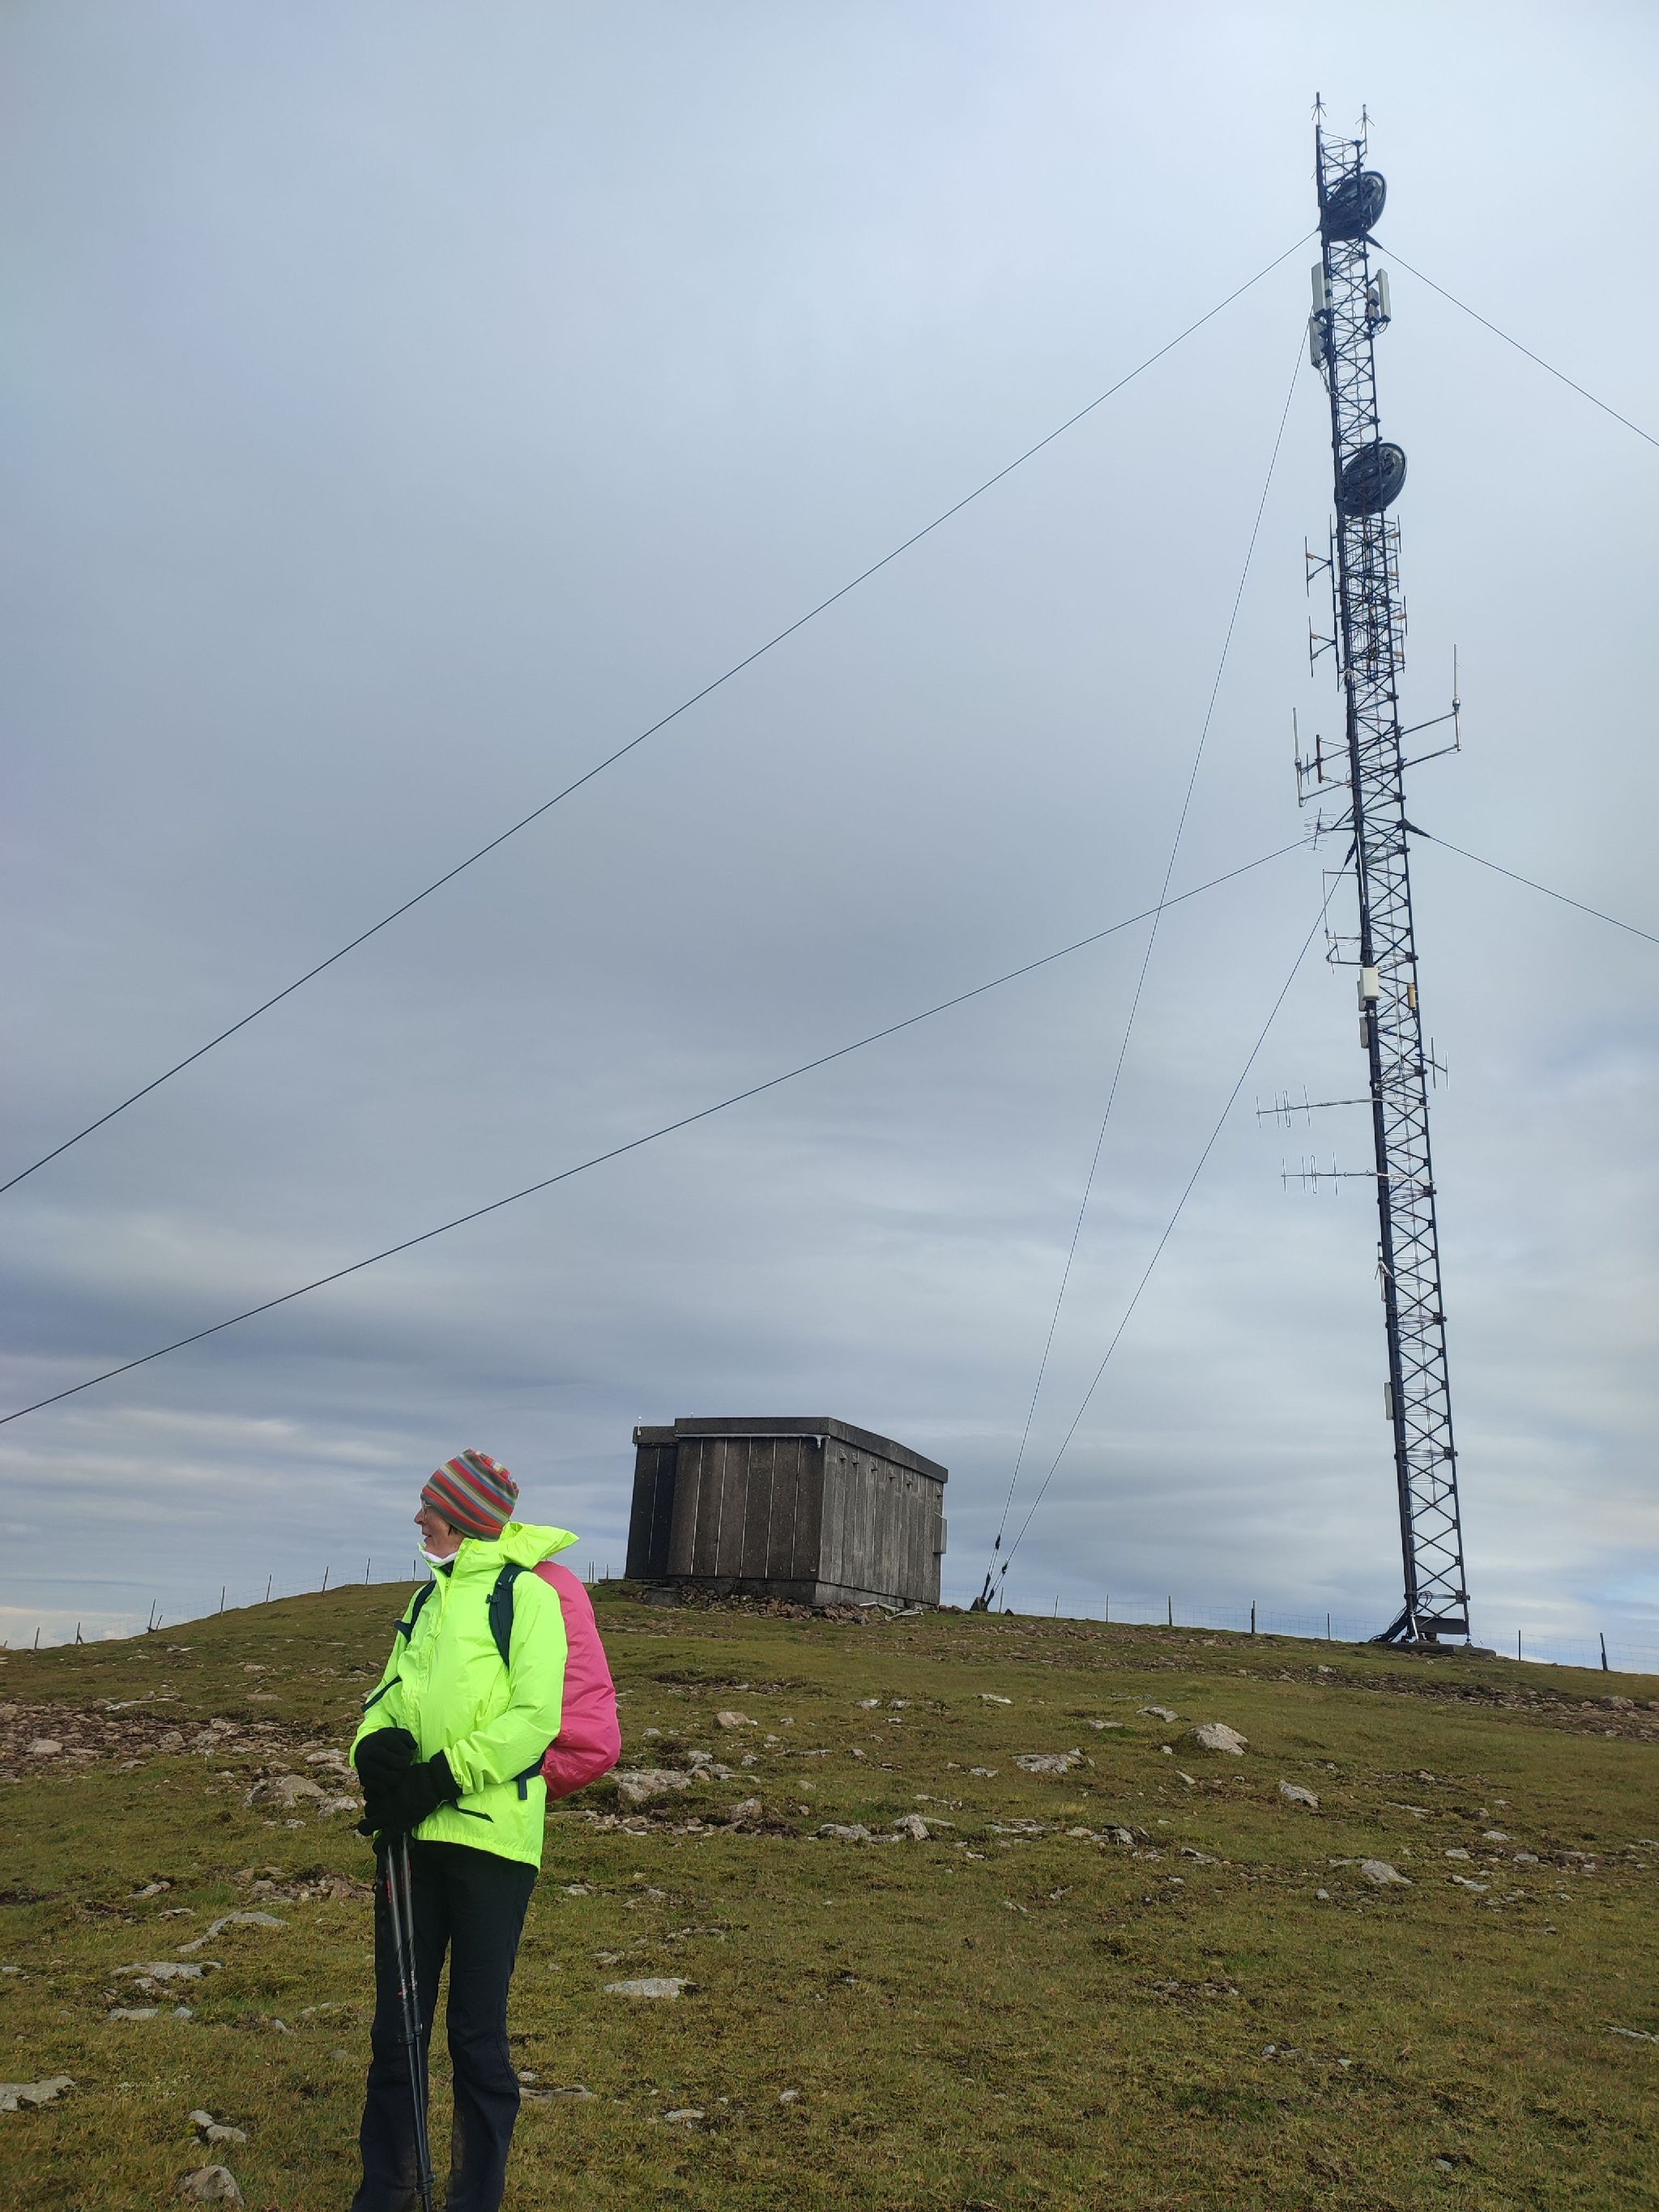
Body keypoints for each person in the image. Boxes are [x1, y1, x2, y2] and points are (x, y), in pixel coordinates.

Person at [352, 1449, 574, 2212]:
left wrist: (439, 1778)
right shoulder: (426, 1601)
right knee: (396, 2030)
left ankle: (472, 2199)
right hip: (410, 1841)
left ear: (464, 1517)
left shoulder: (527, 1598)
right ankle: (388, 2194)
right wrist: (369, 1751)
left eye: (430, 1505)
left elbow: (534, 1720)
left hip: (492, 1846)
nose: (418, 1517)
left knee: (475, 2035)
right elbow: (386, 1699)